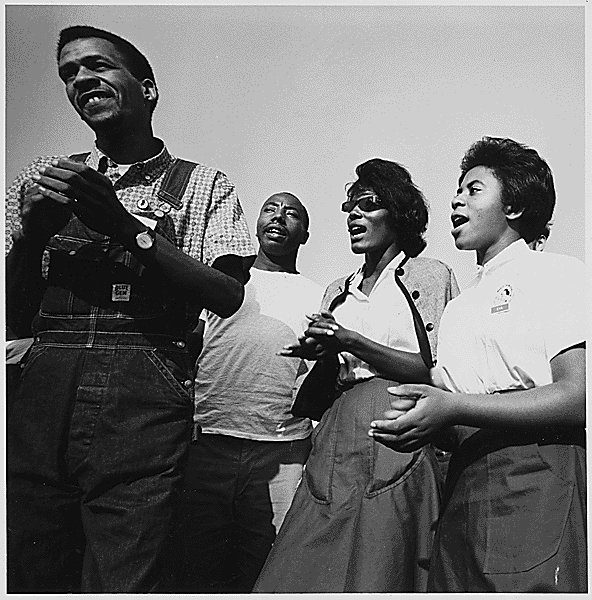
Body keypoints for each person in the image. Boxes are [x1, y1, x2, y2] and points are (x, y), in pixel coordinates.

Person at [5, 25, 255, 593]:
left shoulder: (203, 184)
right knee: (30, 562)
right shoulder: (42, 181)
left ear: (146, 89)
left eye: (97, 65)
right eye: (69, 73)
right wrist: (32, 235)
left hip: (145, 395)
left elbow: (226, 294)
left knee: (126, 568)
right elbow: (14, 316)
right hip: (44, 391)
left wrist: (122, 225)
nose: (81, 79)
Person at [370, 137, 586, 592]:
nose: (456, 199)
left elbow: (578, 396)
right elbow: (452, 414)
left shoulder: (558, 274)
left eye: (474, 189)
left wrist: (454, 408)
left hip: (539, 478)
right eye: (457, 189)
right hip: (465, 488)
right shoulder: (459, 309)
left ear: (515, 207)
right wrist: (421, 421)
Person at [254, 158, 459, 593]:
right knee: (306, 562)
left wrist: (350, 340)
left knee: (383, 561)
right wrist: (323, 351)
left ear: (398, 213)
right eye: (350, 206)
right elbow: (334, 372)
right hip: (336, 437)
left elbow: (436, 368)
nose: (353, 215)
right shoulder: (337, 290)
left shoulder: (429, 274)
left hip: (399, 431)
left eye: (367, 204)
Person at [162, 192, 322, 593]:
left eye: (292, 214)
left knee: (270, 565)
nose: (279, 217)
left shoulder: (318, 294)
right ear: (256, 222)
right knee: (198, 564)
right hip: (210, 443)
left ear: (304, 234)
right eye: (271, 208)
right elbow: (192, 342)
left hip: (284, 450)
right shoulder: (225, 282)